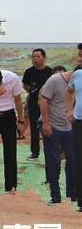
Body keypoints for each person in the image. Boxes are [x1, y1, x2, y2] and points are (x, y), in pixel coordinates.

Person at [39, 65, 76, 205]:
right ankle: (55, 196)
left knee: (73, 161)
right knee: (53, 163)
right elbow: (44, 101)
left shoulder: (77, 83)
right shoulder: (54, 80)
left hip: (71, 128)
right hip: (53, 127)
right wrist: (46, 123)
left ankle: (72, 194)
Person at [22, 48, 53, 160]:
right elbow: (25, 85)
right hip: (33, 103)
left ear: (44, 58)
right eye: (33, 57)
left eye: (37, 56)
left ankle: (50, 151)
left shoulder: (50, 71)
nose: (35, 59)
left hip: (48, 104)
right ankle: (35, 152)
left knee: (48, 127)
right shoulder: (29, 71)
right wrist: (34, 92)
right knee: (34, 128)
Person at [65, 43, 82, 212]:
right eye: (79, 55)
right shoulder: (77, 74)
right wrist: (69, 111)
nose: (79, 58)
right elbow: (68, 92)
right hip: (79, 122)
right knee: (79, 160)